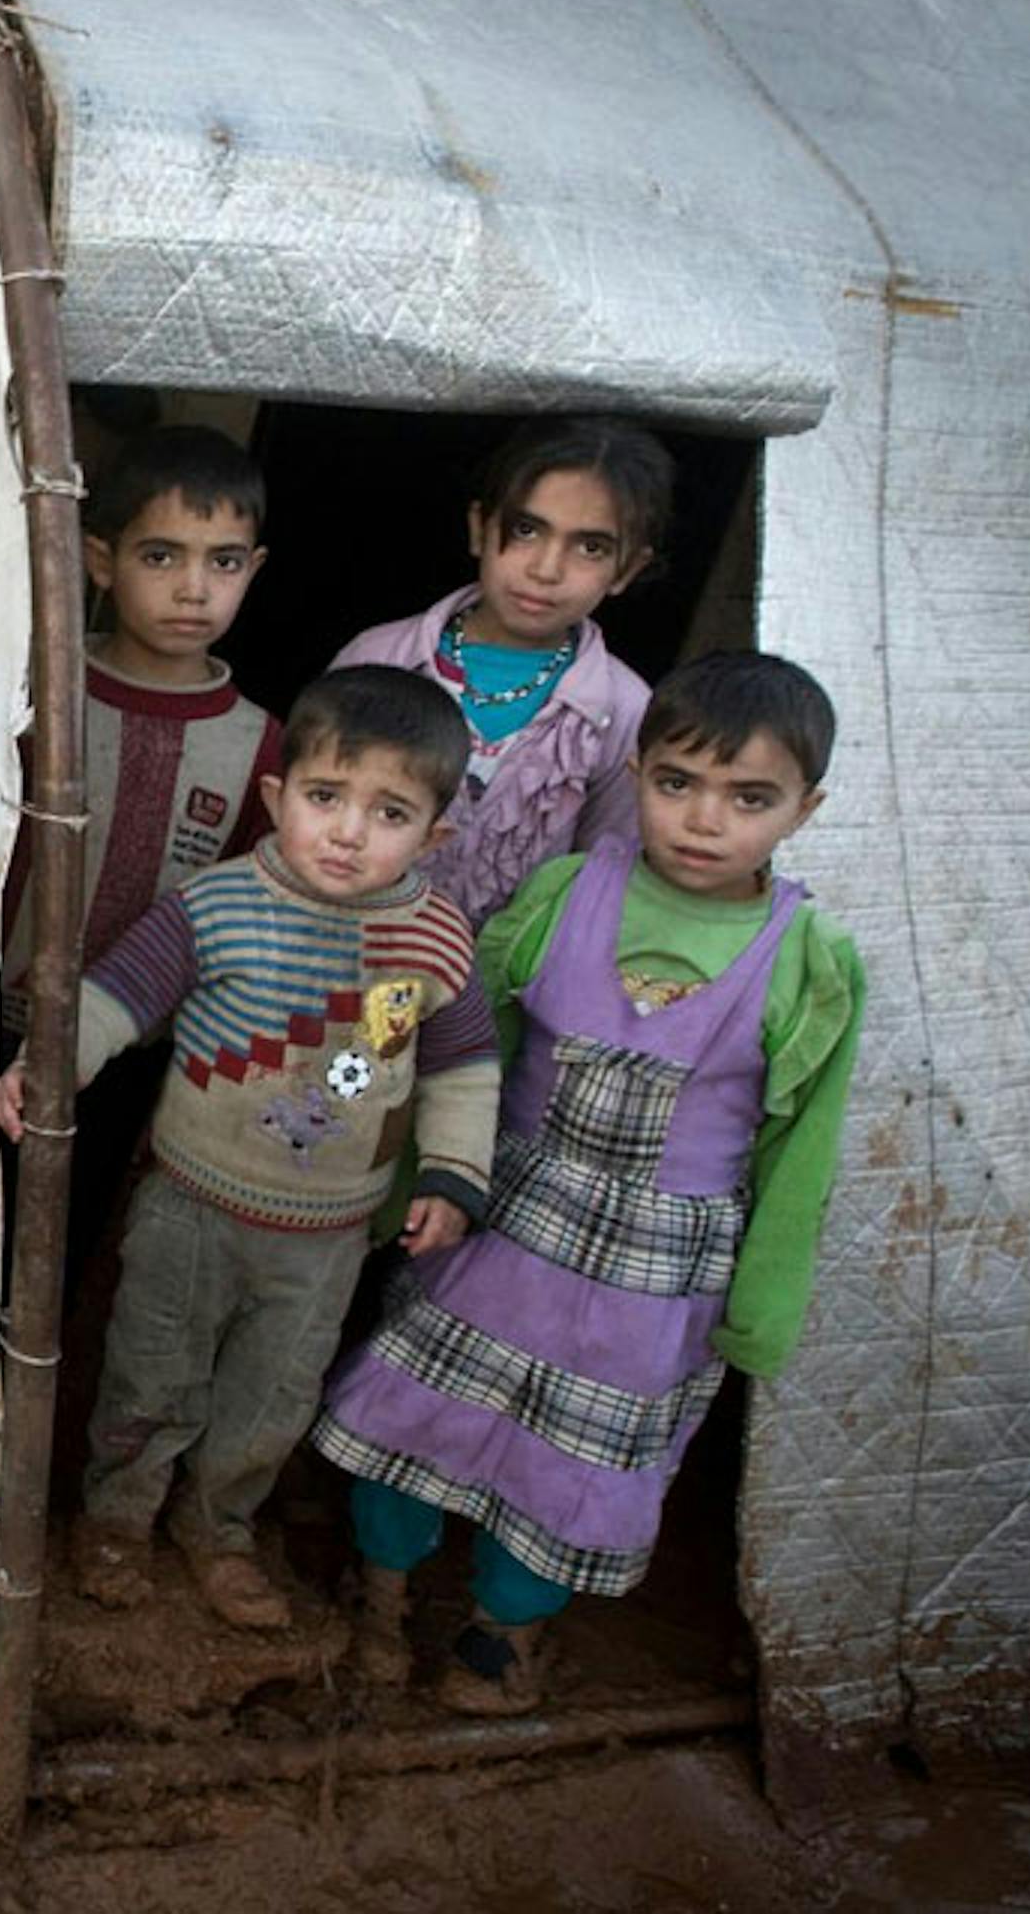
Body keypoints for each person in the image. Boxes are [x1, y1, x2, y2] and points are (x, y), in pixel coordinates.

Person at [312, 653, 864, 1715]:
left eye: (749, 798)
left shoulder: (811, 958)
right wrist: (411, 1185)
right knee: (415, 1410)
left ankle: (499, 1637)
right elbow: (474, 1050)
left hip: (651, 1284)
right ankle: (377, 1597)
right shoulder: (569, 893)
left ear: (806, 807)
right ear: (638, 770)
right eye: (676, 784)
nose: (705, 820)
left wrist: (764, 1305)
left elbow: (806, 1147)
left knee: (573, 1465)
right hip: (501, 1225)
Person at [0, 668, 501, 1629]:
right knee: (152, 1367)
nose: (348, 831)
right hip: (190, 1202)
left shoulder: (435, 943)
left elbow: (465, 1068)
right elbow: (117, 994)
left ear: (435, 835)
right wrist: (47, 1065)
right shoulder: (219, 904)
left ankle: (220, 1529)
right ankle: (116, 1516)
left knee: (272, 1396)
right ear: (277, 796)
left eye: (388, 811)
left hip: (328, 1236)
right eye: (324, 797)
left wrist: (452, 1176)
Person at [0, 424, 282, 1266]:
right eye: (161, 556)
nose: (194, 588)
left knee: (54, 1244)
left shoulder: (263, 746)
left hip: (129, 1056)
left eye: (223, 562)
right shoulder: (30, 692)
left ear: (252, 571)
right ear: (98, 560)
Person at [332, 418, 676, 923]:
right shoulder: (380, 657)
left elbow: (604, 883)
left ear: (627, 569)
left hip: (502, 990)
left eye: (590, 548)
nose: (546, 569)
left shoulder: (623, 711)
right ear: (479, 528)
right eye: (526, 530)